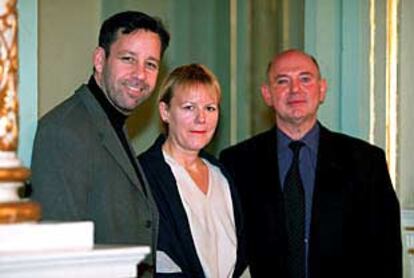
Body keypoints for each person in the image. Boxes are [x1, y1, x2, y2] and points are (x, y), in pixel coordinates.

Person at [219, 49, 402, 278]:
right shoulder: (237, 162)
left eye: (305, 79)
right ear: (267, 94)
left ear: (322, 90)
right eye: (283, 81)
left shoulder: (366, 161)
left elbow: (386, 253)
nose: (295, 89)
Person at [30, 11, 170, 275]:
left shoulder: (110, 123)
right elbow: (60, 256)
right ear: (99, 60)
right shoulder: (64, 130)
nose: (140, 74)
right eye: (128, 59)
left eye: (151, 64)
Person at [138, 64, 247, 277]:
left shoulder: (222, 175)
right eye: (189, 107)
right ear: (165, 111)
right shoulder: (143, 176)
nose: (201, 119)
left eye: (210, 108)